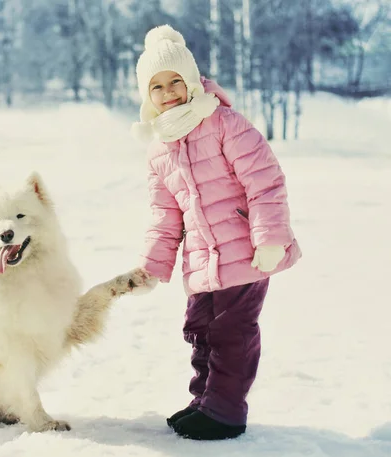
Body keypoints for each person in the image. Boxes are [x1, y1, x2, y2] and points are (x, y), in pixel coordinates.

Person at [131, 24, 302, 441]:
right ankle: (204, 401)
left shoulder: (224, 123)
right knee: (201, 332)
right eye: (158, 86)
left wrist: (269, 239)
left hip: (246, 254)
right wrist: (153, 265)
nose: (169, 92)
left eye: (176, 81)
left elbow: (265, 181)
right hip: (202, 263)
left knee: (231, 333)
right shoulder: (159, 149)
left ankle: (225, 412)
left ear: (192, 82)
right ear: (146, 96)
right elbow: (165, 214)